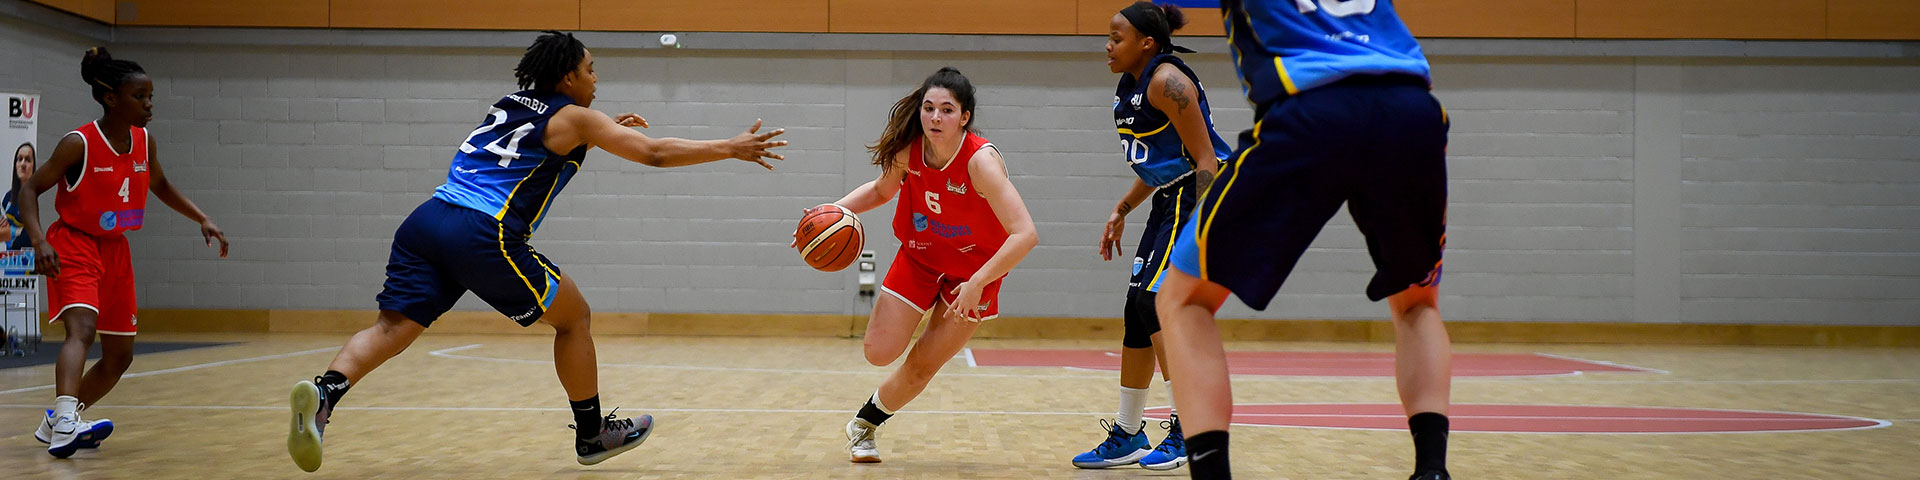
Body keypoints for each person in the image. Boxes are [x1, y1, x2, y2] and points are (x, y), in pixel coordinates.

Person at [285, 31, 788, 472]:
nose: (595, 80)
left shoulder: (509, 103)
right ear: (568, 76)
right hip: (482, 230)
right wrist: (729, 146)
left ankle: (326, 393)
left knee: (392, 327)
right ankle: (593, 436)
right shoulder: (579, 118)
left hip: (425, 221)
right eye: (591, 70)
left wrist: (597, 129)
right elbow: (654, 153)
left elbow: (533, 140)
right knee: (574, 318)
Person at [1155, 1, 1453, 479]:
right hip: (1412, 109)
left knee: (1182, 300)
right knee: (1418, 302)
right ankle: (1432, 470)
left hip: (1313, 105)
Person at [814, 67, 1037, 463]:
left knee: (921, 365)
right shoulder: (909, 151)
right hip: (921, 258)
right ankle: (868, 416)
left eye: (947, 110)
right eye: (929, 108)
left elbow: (1025, 234)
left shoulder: (980, 162)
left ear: (964, 117)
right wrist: (832, 210)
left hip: (975, 275)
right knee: (878, 352)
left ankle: (864, 425)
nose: (935, 117)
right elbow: (882, 190)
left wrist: (978, 283)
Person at [19, 47, 231, 459]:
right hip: (74, 242)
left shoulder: (144, 141)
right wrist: (39, 239)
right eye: (140, 96)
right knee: (81, 329)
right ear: (112, 98)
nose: (149, 104)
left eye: (151, 96)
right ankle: (65, 421)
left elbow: (161, 185)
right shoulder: (78, 143)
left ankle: (56, 422)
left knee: (119, 356)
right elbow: (30, 189)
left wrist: (201, 218)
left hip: (116, 251)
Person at [1073, 1, 1230, 472]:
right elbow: (1161, 163)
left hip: (1196, 197)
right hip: (1169, 197)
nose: (1107, 45)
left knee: (1156, 304)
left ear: (1147, 42)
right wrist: (1122, 208)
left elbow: (1205, 160)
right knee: (1135, 313)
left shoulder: (1168, 81)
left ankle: (1189, 427)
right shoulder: (1131, 88)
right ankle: (1127, 432)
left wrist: (1198, 228)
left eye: (1116, 37)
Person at [6, 142, 37, 249]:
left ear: (33, 166)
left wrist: (11, 232)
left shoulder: (34, 197)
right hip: (8, 260)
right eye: (19, 159)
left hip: (28, 258)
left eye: (28, 160)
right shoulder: (8, 197)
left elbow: (30, 234)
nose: (23, 164)